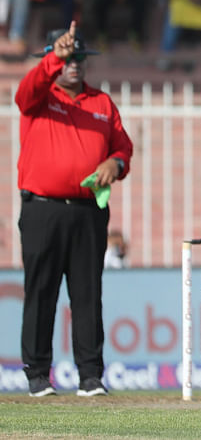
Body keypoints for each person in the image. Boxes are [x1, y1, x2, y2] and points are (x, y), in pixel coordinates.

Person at [16, 21, 134, 397]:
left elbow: (123, 148)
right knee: (42, 292)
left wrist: (114, 164)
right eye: (68, 58)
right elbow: (23, 94)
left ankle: (90, 376)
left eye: (80, 58)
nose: (75, 64)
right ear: (51, 60)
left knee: (87, 293)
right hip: (42, 209)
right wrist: (54, 59)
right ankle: (37, 375)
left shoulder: (101, 103)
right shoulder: (40, 97)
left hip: (87, 211)